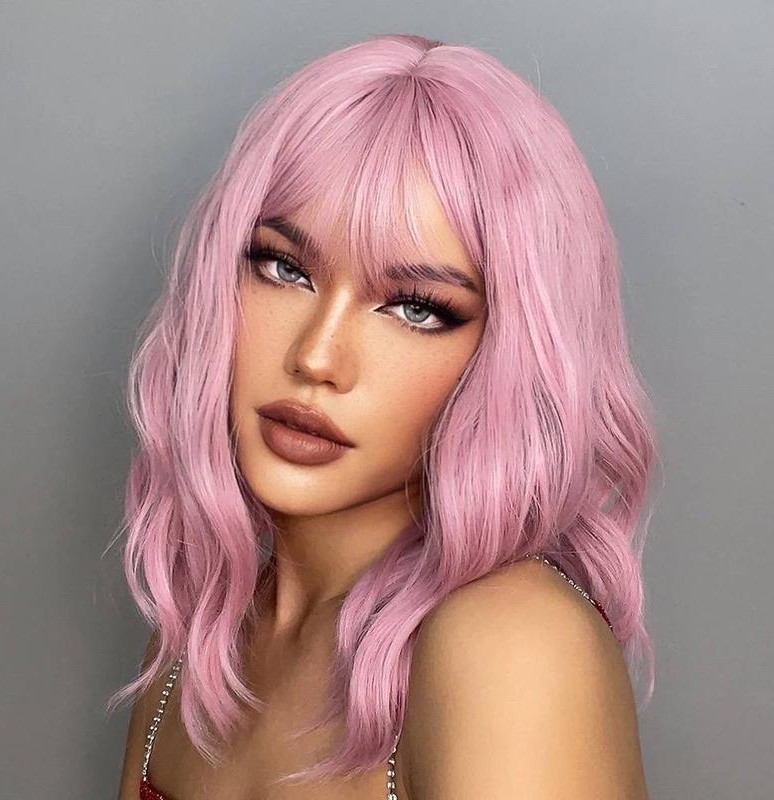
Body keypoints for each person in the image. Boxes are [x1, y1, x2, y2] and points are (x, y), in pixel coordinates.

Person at [111, 32, 659, 799]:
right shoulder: (195, 647)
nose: (318, 357)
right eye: (283, 267)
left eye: (416, 308)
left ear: (506, 355)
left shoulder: (512, 646)